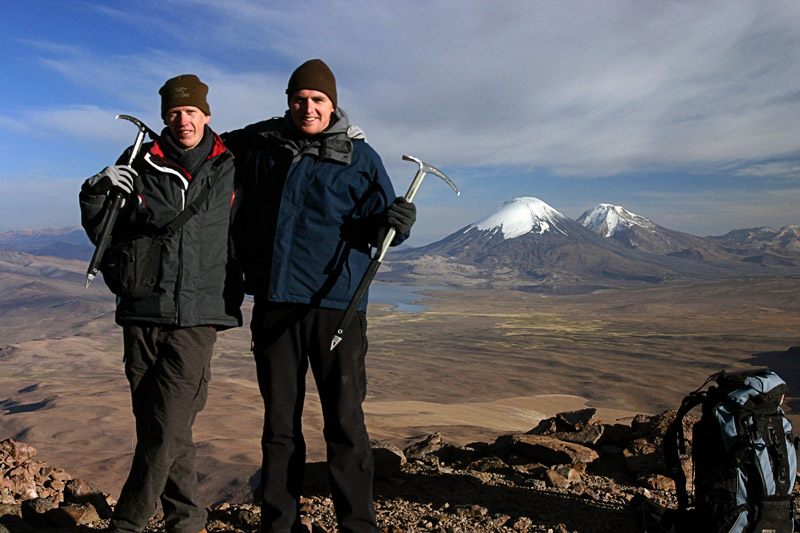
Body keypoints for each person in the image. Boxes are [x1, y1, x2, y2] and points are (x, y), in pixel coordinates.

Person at [225, 59, 416, 533]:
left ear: (333, 104)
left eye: (318, 100)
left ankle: (357, 525)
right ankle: (280, 524)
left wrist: (396, 224)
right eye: (300, 99)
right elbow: (208, 147)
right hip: (276, 304)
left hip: (338, 306)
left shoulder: (360, 157)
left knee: (345, 423)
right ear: (288, 100)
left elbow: (379, 228)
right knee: (279, 427)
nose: (308, 108)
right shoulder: (265, 147)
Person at [79, 74, 242, 533]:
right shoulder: (138, 161)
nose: (183, 119)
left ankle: (128, 522)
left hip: (198, 315)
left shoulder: (230, 164)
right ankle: (187, 519)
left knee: (165, 425)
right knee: (163, 426)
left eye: (191, 111)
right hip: (142, 309)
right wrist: (96, 189)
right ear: (163, 117)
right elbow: (103, 230)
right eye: (174, 112)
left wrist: (341, 134)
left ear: (207, 115)